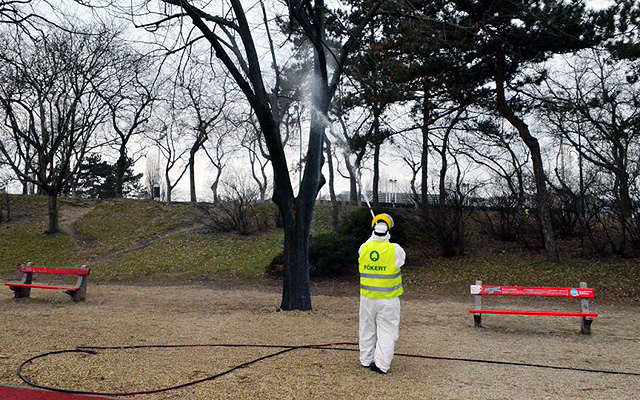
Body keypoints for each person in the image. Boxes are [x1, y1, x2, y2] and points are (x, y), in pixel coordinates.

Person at [358, 213, 406, 374]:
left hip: (367, 298)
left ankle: (366, 359)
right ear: (389, 230)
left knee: (366, 328)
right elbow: (401, 261)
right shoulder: (395, 250)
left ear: (373, 229)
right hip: (388, 299)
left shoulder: (364, 248)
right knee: (387, 331)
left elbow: (370, 243)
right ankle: (381, 365)